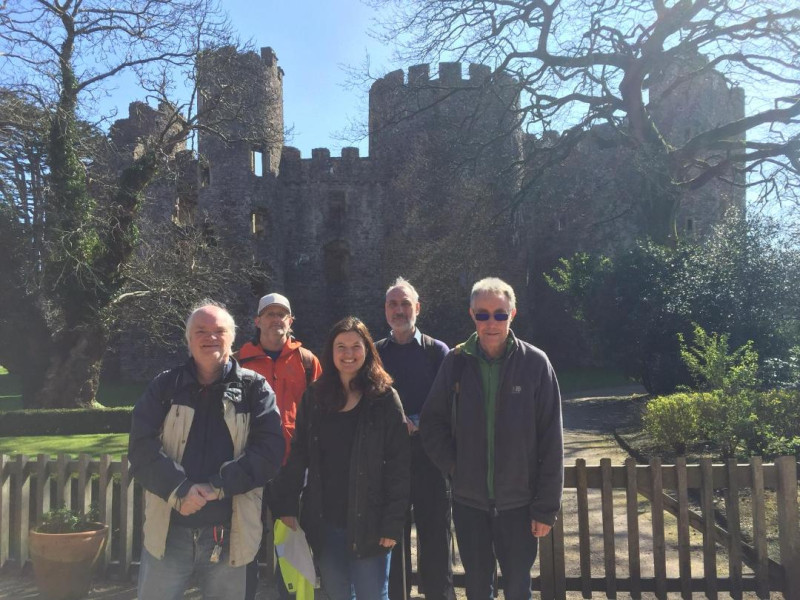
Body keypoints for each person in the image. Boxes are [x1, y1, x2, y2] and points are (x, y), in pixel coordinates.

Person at [129, 302, 285, 600]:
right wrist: (180, 489)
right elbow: (140, 448)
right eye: (201, 331)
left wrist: (217, 487)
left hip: (231, 533)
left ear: (232, 339)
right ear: (189, 340)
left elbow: (269, 452)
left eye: (219, 331)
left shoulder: (255, 390)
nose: (210, 337)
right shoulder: (165, 386)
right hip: (169, 531)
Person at [420, 278, 564, 600]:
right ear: (472, 315)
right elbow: (432, 424)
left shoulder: (535, 364)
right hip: (469, 503)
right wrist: (455, 466)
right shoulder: (455, 362)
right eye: (483, 314)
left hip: (520, 504)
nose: (491, 322)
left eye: (500, 314)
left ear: (513, 314)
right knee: (477, 589)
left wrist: (545, 507)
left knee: (517, 588)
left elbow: (552, 440)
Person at [272, 316, 410, 600]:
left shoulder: (384, 398)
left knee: (373, 595)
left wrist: (393, 522)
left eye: (355, 346)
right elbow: (299, 452)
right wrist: (287, 504)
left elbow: (399, 465)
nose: (348, 354)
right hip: (326, 520)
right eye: (341, 347)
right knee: (336, 594)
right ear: (331, 352)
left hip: (371, 521)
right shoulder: (315, 396)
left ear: (367, 350)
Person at [237, 293, 322, 600]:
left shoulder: (307, 361)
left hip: (292, 468)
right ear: (257, 320)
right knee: (245, 541)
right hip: (250, 468)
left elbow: (321, 413)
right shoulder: (238, 361)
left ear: (291, 321)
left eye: (281, 314)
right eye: (269, 314)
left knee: (291, 544)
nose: (276, 319)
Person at [375, 278, 455, 600]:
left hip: (431, 462)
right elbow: (371, 404)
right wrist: (396, 425)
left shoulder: (438, 352)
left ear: (417, 308)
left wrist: (417, 423)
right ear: (385, 310)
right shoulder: (376, 353)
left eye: (405, 303)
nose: (399, 310)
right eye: (393, 304)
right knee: (391, 543)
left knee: (436, 543)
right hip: (390, 465)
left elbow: (449, 405)